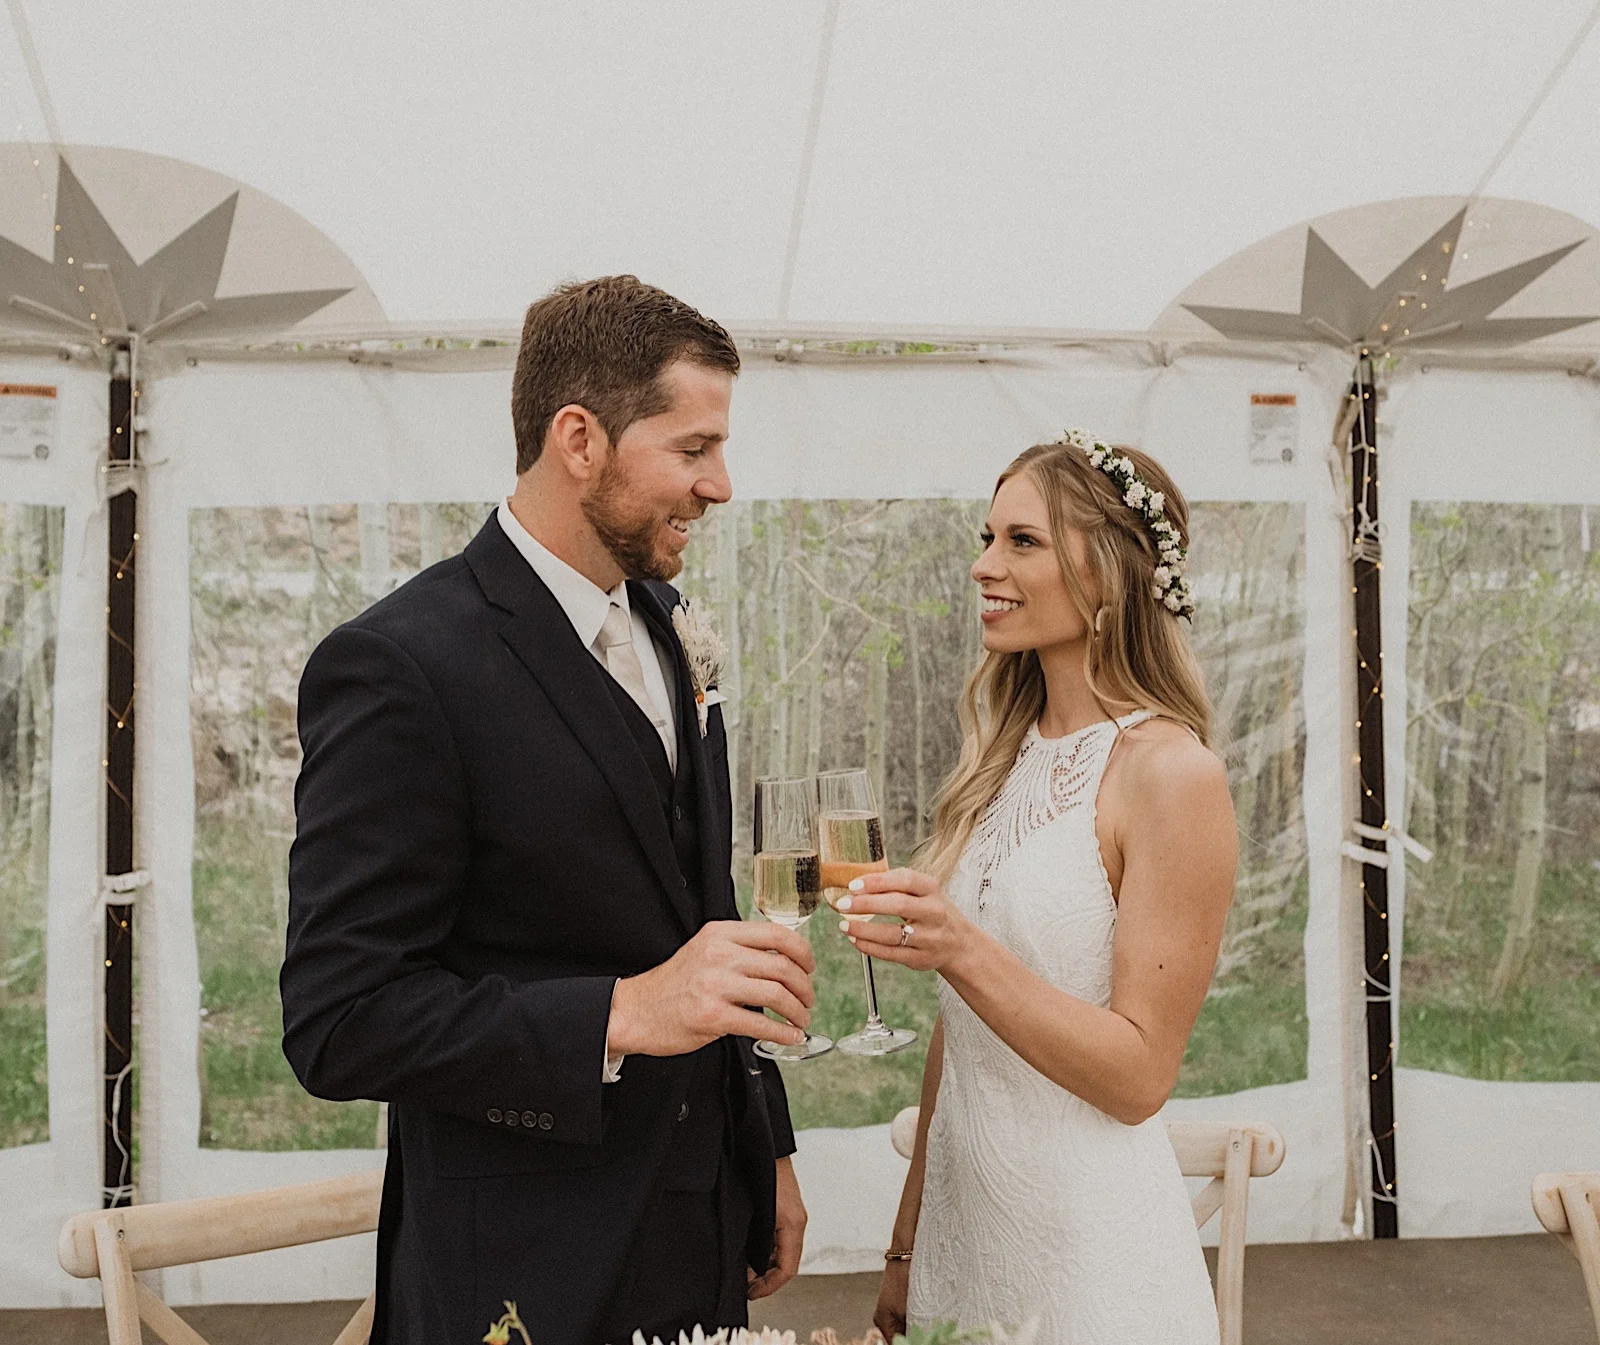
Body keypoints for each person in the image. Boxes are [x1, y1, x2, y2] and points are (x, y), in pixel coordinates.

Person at [281, 276, 813, 1345]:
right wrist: (622, 1014)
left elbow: (697, 910)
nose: (719, 485)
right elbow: (339, 1019)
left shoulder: (669, 621)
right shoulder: (400, 665)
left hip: (698, 1229)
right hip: (522, 1268)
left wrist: (768, 1148)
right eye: (694, 447)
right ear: (579, 438)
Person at [851, 433, 1237, 1343]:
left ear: (1109, 571)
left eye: (1022, 541)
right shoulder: (1003, 758)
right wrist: (906, 1245)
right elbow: (961, 1028)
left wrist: (959, 946)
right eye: (987, 538)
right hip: (964, 1249)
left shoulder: (1171, 773)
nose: (985, 565)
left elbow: (1139, 1076)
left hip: (1092, 1265)